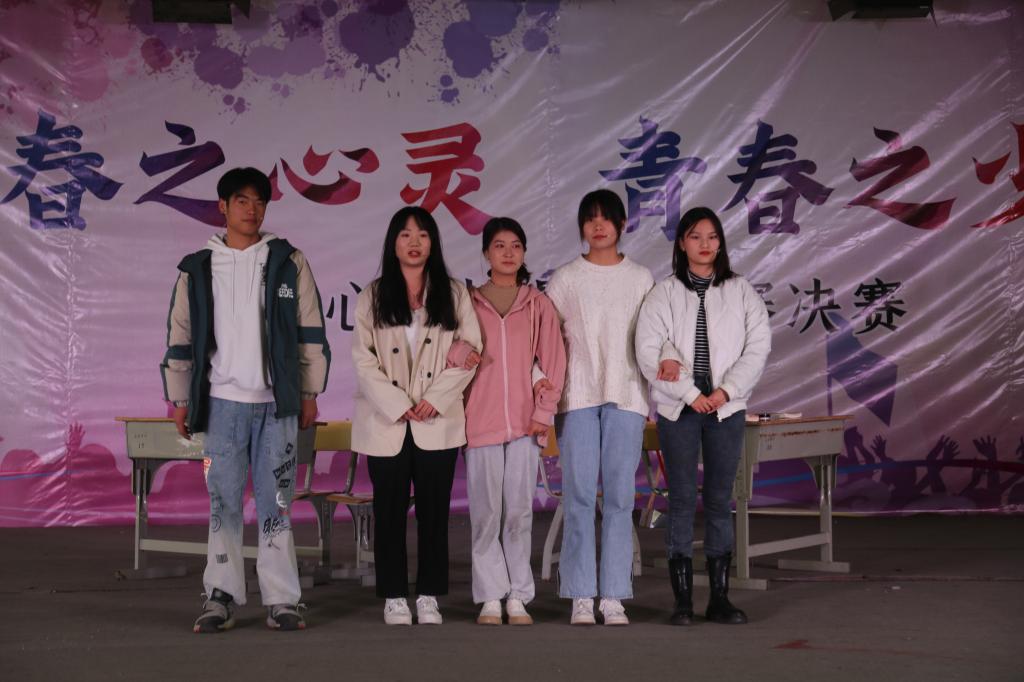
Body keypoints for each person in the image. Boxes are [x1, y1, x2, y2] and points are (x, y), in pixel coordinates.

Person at [161, 167, 330, 633]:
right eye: (241, 200)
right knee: (223, 500)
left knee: (277, 501)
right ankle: (220, 595)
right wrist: (180, 398)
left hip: (277, 406)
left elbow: (310, 328)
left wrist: (309, 392)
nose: (251, 210)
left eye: (259, 202)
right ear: (223, 206)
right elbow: (180, 335)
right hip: (221, 406)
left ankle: (282, 599)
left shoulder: (288, 261)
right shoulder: (197, 268)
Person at [635, 206, 770, 625]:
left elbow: (758, 347)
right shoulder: (663, 293)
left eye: (712, 236)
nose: (705, 244)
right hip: (680, 409)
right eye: (696, 236)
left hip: (726, 409)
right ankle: (682, 602)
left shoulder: (741, 290)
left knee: (717, 499)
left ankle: (719, 599)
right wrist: (691, 394)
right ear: (681, 244)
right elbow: (648, 349)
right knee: (680, 499)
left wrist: (725, 392)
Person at [351, 206, 482, 626]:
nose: (414, 242)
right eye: (405, 234)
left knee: (434, 513)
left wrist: (435, 399)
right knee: (388, 513)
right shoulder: (373, 295)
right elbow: (363, 360)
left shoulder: (454, 293)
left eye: (423, 235)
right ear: (393, 243)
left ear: (433, 243)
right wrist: (396, 402)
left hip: (435, 421)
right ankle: (393, 595)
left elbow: (471, 351)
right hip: (386, 421)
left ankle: (428, 595)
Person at [544, 190, 654, 626]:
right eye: (589, 218)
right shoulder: (566, 279)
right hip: (577, 397)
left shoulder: (640, 278)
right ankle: (580, 594)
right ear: (582, 228)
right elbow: (544, 337)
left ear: (622, 224)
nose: (598, 225)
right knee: (579, 497)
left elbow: (653, 336)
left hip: (626, 395)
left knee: (621, 498)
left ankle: (613, 595)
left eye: (606, 217)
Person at [452, 217, 566, 626]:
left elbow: (553, 362)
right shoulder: (467, 302)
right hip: (479, 423)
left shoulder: (537, 305)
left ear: (524, 253)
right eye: (499, 245)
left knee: (518, 512)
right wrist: (459, 354)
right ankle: (490, 596)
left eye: (516, 245)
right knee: (485, 514)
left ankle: (518, 595)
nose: (508, 253)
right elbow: (447, 348)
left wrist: (543, 413)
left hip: (524, 425)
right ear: (486, 252)